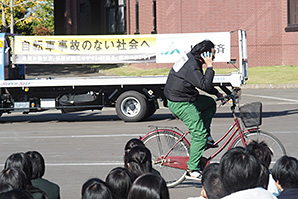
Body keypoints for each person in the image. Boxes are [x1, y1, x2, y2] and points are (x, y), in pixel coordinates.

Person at [163, 40, 223, 179]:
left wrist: (217, 93)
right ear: (205, 55)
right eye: (212, 55)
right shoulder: (192, 66)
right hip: (180, 102)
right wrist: (210, 67)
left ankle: (206, 138)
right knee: (199, 134)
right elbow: (205, 85)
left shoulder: (192, 59)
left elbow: (202, 83)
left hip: (186, 96)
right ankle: (192, 168)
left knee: (209, 103)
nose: (213, 58)